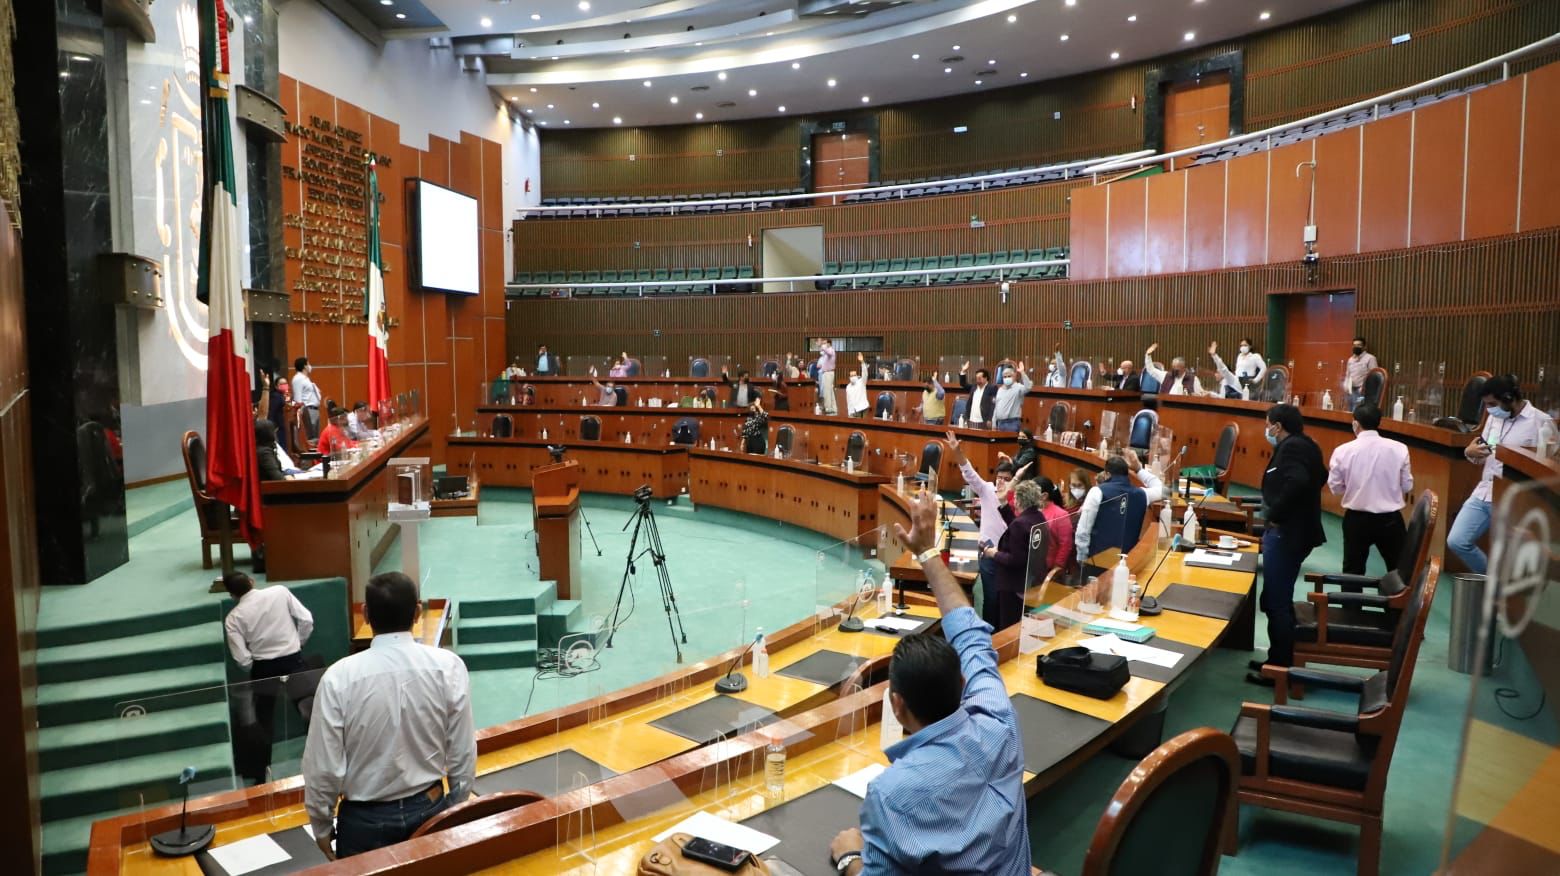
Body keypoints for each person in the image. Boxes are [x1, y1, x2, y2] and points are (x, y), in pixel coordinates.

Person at [828, 488, 1030, 876]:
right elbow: (970, 635)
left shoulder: (892, 794)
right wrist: (927, 552)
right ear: (962, 685)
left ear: (897, 705)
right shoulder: (997, 717)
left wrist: (850, 858)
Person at [303, 571, 475, 859]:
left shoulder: (338, 678)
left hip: (363, 821)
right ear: (418, 612)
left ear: (366, 615)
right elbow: (462, 751)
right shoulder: (448, 666)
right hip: (431, 807)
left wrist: (321, 826)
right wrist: (453, 809)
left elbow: (323, 767)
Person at [1447, 374, 1559, 573]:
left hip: (1514, 498)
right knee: (1457, 540)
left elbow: (1552, 463)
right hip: (1484, 491)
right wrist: (1469, 452)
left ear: (1508, 398)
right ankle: (1495, 583)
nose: (1490, 410)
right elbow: (1483, 451)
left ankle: (1501, 593)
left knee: (1515, 555)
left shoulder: (1541, 421)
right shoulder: (1494, 418)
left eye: (1492, 403)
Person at [1250, 403, 1327, 685]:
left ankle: (1279, 670)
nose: (1267, 429)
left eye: (1268, 423)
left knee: (1277, 601)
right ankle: (1276, 659)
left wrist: (1275, 515)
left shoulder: (1293, 447)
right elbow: (1322, 476)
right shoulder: (1307, 444)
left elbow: (1297, 482)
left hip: (1287, 533)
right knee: (1274, 599)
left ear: (1278, 426)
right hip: (1294, 532)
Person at [223, 572, 313, 784]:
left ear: (232, 595)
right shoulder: (279, 592)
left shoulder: (233, 618)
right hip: (293, 661)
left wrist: (256, 662)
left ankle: (260, 778)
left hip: (263, 669)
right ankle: (322, 761)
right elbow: (306, 620)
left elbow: (242, 659)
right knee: (311, 711)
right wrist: (297, 644)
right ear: (251, 582)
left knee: (263, 721)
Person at [1328, 402, 1413, 575]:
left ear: (1355, 424)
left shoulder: (1342, 451)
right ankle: (1399, 602)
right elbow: (1407, 485)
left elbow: (1336, 488)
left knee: (1353, 572)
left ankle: (1351, 603)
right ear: (1379, 423)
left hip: (1357, 520)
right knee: (1399, 572)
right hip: (1390, 520)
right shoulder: (1399, 448)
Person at [946, 430, 1017, 628]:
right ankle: (988, 632)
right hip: (988, 554)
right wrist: (957, 451)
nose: (1001, 481)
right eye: (999, 477)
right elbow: (969, 472)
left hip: (1010, 557)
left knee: (1007, 602)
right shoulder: (987, 490)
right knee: (991, 599)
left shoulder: (1018, 499)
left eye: (1006, 478)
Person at [1074, 451, 1165, 569]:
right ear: (1127, 474)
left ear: (1107, 474)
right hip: (1128, 565)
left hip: (1097, 563)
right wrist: (1138, 469)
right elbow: (1163, 489)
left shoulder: (1097, 491)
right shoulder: (1142, 494)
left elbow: (1083, 531)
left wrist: (1082, 559)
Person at [981, 480, 1049, 630]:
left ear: (1019, 500)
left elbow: (1015, 559)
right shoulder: (1038, 518)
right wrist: (1004, 504)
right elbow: (1018, 528)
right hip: (1031, 581)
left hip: (1013, 586)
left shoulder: (1021, 524)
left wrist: (993, 553)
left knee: (1008, 628)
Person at [1037, 477, 1076, 578]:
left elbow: (1065, 545)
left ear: (1044, 495)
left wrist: (1056, 568)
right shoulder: (1031, 510)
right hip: (1032, 566)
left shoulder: (1060, 514)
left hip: (1050, 570)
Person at [1142, 343, 1208, 396]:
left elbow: (1201, 394)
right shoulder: (1166, 376)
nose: (1174, 371)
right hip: (1165, 406)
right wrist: (1148, 355)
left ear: (1184, 369)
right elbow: (1151, 370)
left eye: (1177, 370)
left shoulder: (1193, 379)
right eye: (1173, 368)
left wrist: (1197, 395)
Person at [991, 361, 1032, 432]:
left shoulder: (1018, 387)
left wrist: (1022, 372)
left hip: (1012, 423)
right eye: (1005, 377)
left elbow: (1028, 387)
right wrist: (994, 424)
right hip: (1000, 423)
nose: (1007, 378)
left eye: (1009, 376)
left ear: (1014, 376)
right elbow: (996, 407)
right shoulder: (1000, 389)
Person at [1342, 337, 1378, 406]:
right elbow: (1348, 375)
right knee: (1350, 411)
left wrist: (1365, 387)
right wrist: (1346, 385)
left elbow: (1374, 376)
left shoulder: (1370, 358)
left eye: (1359, 345)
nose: (1356, 347)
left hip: (1363, 391)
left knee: (1358, 410)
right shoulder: (1350, 359)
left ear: (1364, 347)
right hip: (1351, 390)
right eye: (1354, 345)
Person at [957, 362, 995, 427]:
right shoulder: (974, 387)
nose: (977, 380)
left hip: (983, 420)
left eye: (979, 378)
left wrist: (990, 419)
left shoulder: (991, 388)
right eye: (976, 378)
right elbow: (963, 384)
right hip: (971, 419)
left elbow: (993, 404)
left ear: (986, 378)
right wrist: (963, 371)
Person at [292, 357, 322, 440]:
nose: (310, 366)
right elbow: (298, 398)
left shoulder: (306, 379)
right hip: (307, 410)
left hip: (314, 410)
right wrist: (301, 413)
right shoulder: (297, 379)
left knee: (316, 436)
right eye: (308, 364)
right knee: (310, 436)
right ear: (305, 366)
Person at [816, 340, 839, 415]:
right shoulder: (826, 353)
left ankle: (828, 408)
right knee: (830, 391)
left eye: (825, 343)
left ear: (829, 344)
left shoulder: (831, 350)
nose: (824, 345)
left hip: (828, 373)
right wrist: (820, 346)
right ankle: (833, 407)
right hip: (826, 373)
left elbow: (828, 352)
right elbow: (822, 352)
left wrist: (822, 345)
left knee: (827, 391)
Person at [845, 352, 871, 418]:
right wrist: (849, 412)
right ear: (849, 377)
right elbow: (849, 400)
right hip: (853, 411)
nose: (853, 377)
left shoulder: (861, 381)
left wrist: (862, 362)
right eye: (851, 376)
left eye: (854, 375)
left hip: (862, 408)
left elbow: (865, 373)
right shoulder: (848, 387)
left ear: (857, 376)